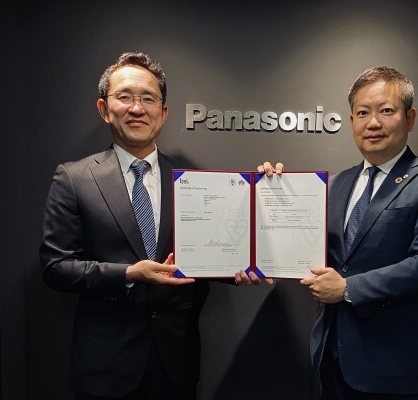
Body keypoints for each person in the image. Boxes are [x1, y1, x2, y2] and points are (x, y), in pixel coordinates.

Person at [39, 51, 270, 400]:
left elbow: (208, 254)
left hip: (175, 365)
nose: (137, 108)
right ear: (104, 108)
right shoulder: (74, 178)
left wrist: (244, 266)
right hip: (105, 366)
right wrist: (129, 273)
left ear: (163, 113)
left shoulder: (193, 181)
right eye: (125, 97)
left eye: (148, 99)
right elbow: (55, 267)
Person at [261, 66, 418, 399]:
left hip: (394, 364)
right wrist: (271, 191)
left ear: (410, 118)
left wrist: (347, 288)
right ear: (351, 120)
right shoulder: (335, 184)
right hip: (332, 357)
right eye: (363, 113)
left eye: (386, 111)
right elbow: (305, 247)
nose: (373, 123)